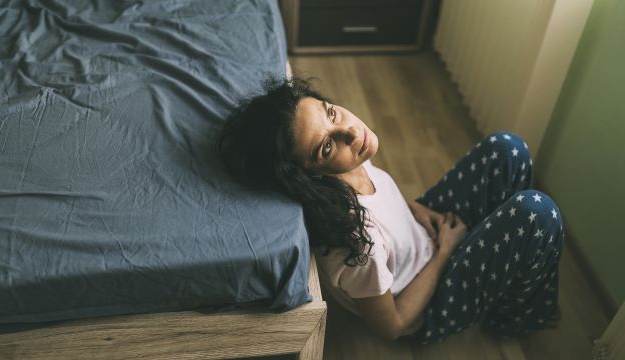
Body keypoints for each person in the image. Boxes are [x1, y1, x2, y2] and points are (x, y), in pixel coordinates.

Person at [218, 77, 564, 344]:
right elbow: (392, 327)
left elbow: (381, 201)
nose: (352, 133)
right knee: (537, 213)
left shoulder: (350, 164)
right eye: (326, 146)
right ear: (311, 175)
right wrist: (446, 251)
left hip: (424, 237)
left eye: (331, 112)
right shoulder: (356, 244)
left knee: (507, 149)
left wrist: (414, 209)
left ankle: (502, 265)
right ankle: (512, 317)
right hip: (426, 301)